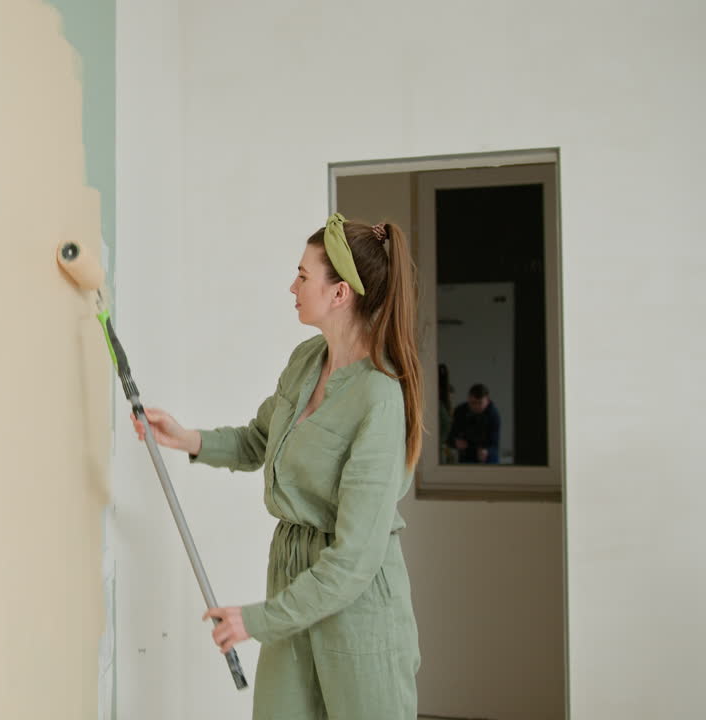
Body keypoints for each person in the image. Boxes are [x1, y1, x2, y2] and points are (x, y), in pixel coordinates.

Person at [132, 213, 421, 720]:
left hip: (354, 605)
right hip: (292, 579)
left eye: (304, 276)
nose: (292, 286)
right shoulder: (307, 359)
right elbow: (259, 440)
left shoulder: (379, 397)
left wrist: (259, 620)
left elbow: (354, 559)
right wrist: (186, 438)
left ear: (340, 295)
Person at [445, 383, 501, 463]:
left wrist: (487, 451)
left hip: (487, 457)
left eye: (480, 403)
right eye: (473, 403)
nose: (476, 407)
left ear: (487, 401)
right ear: (468, 399)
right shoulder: (460, 411)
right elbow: (449, 437)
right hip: (466, 455)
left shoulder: (493, 415)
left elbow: (495, 443)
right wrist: (456, 442)